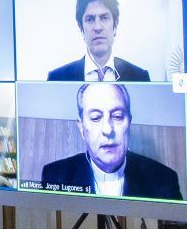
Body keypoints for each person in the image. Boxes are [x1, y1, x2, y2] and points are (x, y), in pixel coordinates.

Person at [41, 83, 181, 199]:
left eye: (117, 116)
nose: (108, 130)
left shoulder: (164, 179)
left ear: (129, 122)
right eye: (96, 118)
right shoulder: (55, 175)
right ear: (82, 128)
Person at [47, 0, 150, 82]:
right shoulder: (57, 78)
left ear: (115, 24)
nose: (97, 27)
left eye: (104, 17)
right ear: (81, 27)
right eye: (90, 19)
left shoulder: (140, 77)